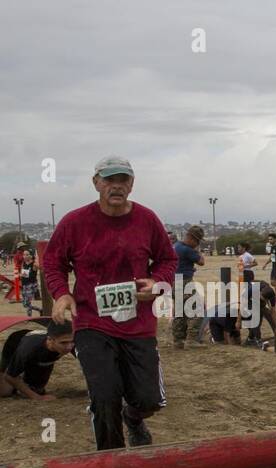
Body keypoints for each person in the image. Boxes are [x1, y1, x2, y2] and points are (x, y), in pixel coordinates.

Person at [43, 156, 176, 449]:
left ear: (131, 185)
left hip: (138, 324)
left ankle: (134, 417)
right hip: (92, 322)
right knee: (105, 396)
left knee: (148, 400)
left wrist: (157, 282)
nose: (116, 186)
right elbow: (53, 262)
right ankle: (112, 464)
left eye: (123, 180)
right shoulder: (74, 222)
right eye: (109, 180)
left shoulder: (147, 219)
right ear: (96, 183)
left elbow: (167, 258)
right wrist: (61, 293)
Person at [1, 318, 75, 400]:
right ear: (50, 340)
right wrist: (37, 397)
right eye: (63, 343)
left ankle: (26, 377)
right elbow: (9, 376)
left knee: (37, 390)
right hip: (16, 344)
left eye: (72, 341)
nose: (69, 347)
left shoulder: (72, 342)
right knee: (5, 392)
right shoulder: (28, 350)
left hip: (43, 355)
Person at [172, 225, 206, 347]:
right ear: (191, 238)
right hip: (185, 282)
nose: (197, 244)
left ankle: (178, 340)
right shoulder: (187, 250)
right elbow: (201, 261)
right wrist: (198, 251)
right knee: (198, 309)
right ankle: (192, 339)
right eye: (197, 241)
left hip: (175, 281)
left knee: (180, 311)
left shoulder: (176, 246)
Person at [19, 249, 40, 317]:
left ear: (31, 255)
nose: (25, 256)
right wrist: (21, 275)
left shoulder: (34, 264)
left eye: (27, 255)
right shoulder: (24, 263)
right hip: (24, 284)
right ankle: (39, 310)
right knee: (25, 304)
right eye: (24, 254)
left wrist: (37, 260)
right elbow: (24, 273)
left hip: (31, 285)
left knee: (27, 302)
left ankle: (29, 316)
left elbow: (41, 267)